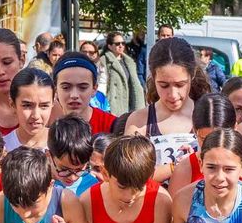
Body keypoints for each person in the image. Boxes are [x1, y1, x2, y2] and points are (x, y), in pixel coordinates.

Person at [122, 37, 201, 179]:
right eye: (164, 85)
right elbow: (129, 177)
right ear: (153, 77)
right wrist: (174, 167)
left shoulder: (208, 115)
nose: (172, 94)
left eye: (180, 84)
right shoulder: (139, 121)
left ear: (193, 74)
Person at [52, 53, 116, 135]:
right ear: (55, 90)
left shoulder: (112, 126)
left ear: (94, 89)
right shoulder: (43, 126)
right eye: (66, 87)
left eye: (82, 87)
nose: (74, 95)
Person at [102, 32, 141, 113]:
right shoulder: (104, 61)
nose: (121, 46)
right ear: (109, 46)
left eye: (123, 43)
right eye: (117, 44)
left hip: (129, 104)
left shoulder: (129, 62)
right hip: (112, 105)